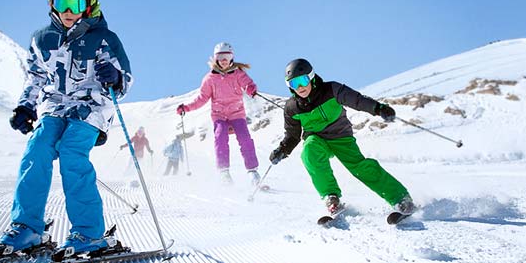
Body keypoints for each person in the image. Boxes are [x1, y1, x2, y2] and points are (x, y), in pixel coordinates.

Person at [0, 0, 133, 260]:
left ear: (89, 4)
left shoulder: (104, 38)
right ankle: (27, 228)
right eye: (61, 3)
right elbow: (35, 77)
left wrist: (115, 77)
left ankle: (89, 233)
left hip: (91, 108)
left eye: (76, 4)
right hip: (55, 106)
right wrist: (25, 105)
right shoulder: (42, 39)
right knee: (37, 150)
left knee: (71, 153)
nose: (68, 12)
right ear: (50, 2)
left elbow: (125, 81)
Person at [269, 58, 415, 216]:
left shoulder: (331, 89)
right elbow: (292, 135)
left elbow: (357, 100)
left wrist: (378, 108)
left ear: (311, 77)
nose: (300, 87)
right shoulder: (292, 108)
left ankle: (401, 199)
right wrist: (282, 150)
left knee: (360, 167)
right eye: (293, 83)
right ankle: (331, 197)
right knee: (309, 152)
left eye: (303, 80)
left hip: (341, 137)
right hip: (316, 139)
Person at [175, 42, 261, 184]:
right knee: (220, 137)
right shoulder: (210, 79)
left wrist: (251, 88)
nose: (224, 60)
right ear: (215, 59)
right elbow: (201, 98)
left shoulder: (238, 74)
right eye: (220, 57)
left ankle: (253, 172)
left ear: (232, 57)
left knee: (245, 139)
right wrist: (187, 108)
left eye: (227, 56)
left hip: (237, 113)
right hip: (219, 115)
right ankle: (224, 172)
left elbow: (248, 83)